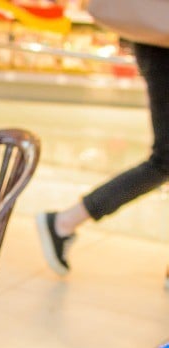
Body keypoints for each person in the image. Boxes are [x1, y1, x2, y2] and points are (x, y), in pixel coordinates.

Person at [36, 41, 169, 277]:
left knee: (164, 161)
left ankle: (65, 221)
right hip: (162, 46)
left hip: (158, 46)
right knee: (164, 161)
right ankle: (64, 221)